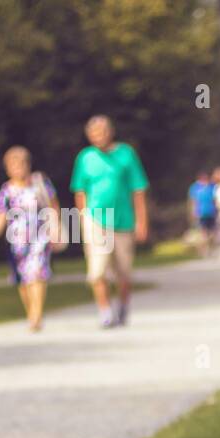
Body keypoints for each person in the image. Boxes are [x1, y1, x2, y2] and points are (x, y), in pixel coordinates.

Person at [69, 115, 149, 328]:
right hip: (96, 220)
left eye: (102, 132)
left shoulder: (126, 154)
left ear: (110, 132)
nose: (98, 137)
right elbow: (80, 190)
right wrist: (82, 217)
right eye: (93, 134)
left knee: (123, 272)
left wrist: (142, 222)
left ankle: (122, 306)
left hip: (123, 221)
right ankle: (105, 311)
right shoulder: (85, 158)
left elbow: (138, 190)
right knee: (97, 270)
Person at [0, 146, 60, 332]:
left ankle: (36, 316)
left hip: (40, 237)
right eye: (13, 165)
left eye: (21, 164)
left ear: (28, 165)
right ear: (7, 168)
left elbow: (53, 208)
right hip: (16, 241)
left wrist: (55, 230)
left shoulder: (41, 184)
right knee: (23, 280)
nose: (18, 168)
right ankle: (31, 311)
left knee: (38, 275)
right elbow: (0, 215)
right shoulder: (6, 191)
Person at [187, 170, 217, 256]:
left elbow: (215, 200)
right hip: (200, 213)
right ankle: (203, 250)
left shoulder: (212, 187)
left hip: (211, 212)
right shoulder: (195, 187)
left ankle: (211, 248)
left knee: (212, 232)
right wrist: (193, 212)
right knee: (202, 233)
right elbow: (193, 201)